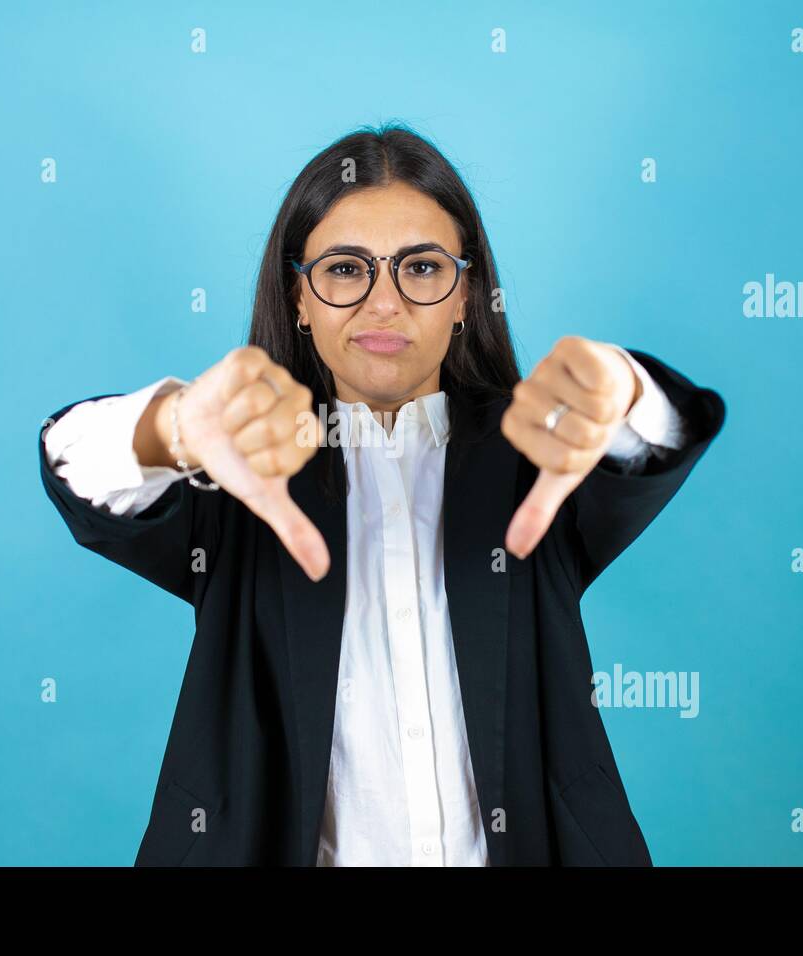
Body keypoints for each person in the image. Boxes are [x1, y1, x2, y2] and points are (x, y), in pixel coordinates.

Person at [38, 124, 726, 866]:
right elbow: (85, 470)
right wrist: (170, 426)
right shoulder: (239, 468)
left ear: (465, 294)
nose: (384, 304)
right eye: (344, 270)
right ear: (298, 297)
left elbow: (657, 438)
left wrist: (622, 387)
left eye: (422, 268)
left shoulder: (539, 454)